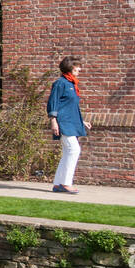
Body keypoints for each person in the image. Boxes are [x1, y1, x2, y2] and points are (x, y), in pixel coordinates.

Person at [48, 55, 92, 194]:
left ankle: (57, 184)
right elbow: (52, 103)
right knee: (74, 150)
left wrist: (81, 121)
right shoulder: (60, 83)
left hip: (71, 121)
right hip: (63, 123)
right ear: (70, 68)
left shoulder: (72, 84)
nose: (80, 69)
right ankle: (66, 183)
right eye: (77, 66)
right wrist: (53, 121)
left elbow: (70, 106)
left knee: (68, 152)